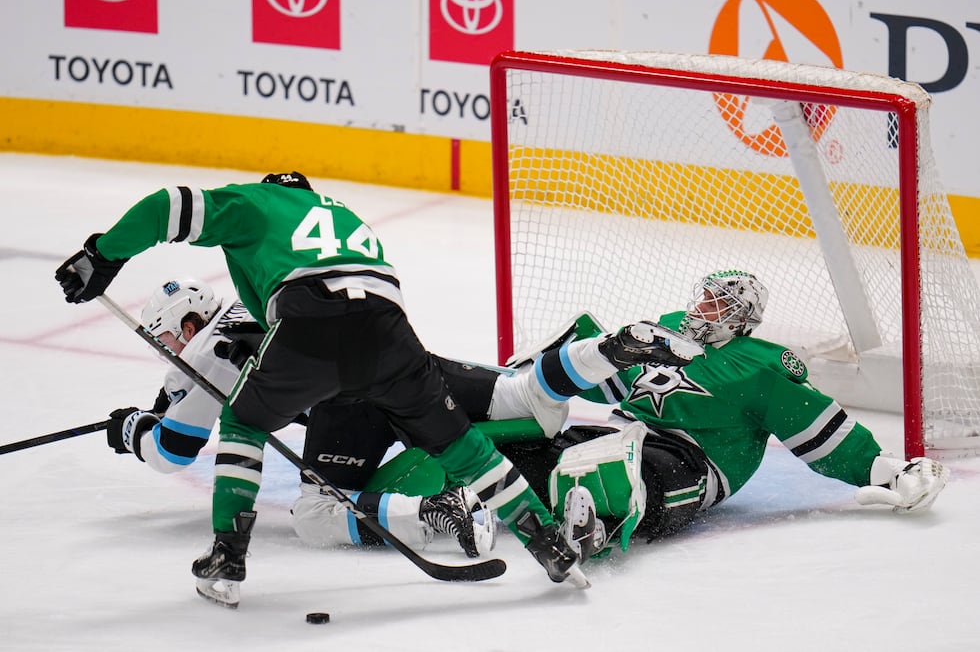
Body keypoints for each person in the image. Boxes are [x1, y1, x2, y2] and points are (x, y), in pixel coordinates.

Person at [54, 170, 702, 607]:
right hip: (394, 337)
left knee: (266, 452)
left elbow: (174, 444)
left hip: (324, 356)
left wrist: (102, 256)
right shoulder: (340, 215)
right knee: (493, 417)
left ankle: (229, 553)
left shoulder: (246, 231)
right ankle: (548, 542)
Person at [366, 270, 952, 559]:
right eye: (703, 297)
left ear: (742, 316)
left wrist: (882, 469)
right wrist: (548, 371)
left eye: (718, 303)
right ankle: (449, 504)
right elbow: (612, 379)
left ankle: (594, 523)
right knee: (535, 450)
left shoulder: (764, 365)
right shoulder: (670, 326)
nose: (703, 309)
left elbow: (821, 432)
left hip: (695, 460)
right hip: (618, 430)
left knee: (647, 472)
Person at [105, 278, 496, 558]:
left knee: (317, 515)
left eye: (164, 341)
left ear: (188, 327)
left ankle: (436, 510)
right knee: (501, 402)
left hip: (350, 408)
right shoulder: (249, 301)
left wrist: (133, 430)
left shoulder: (207, 352)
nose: (164, 353)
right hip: (394, 361)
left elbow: (172, 451)